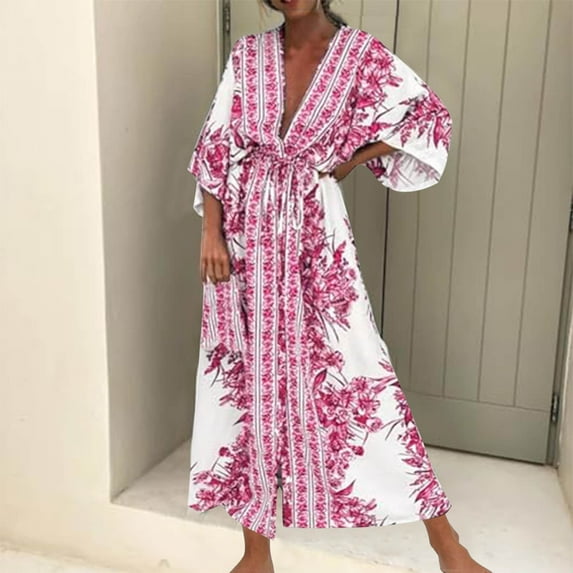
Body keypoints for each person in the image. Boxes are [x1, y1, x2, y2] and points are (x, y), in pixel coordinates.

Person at [186, 1, 491, 572]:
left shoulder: (359, 57)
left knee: (360, 376)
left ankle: (449, 547)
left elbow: (427, 118)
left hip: (315, 239)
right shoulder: (248, 56)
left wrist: (353, 159)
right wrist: (211, 233)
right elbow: (216, 147)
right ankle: (255, 555)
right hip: (245, 241)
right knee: (250, 383)